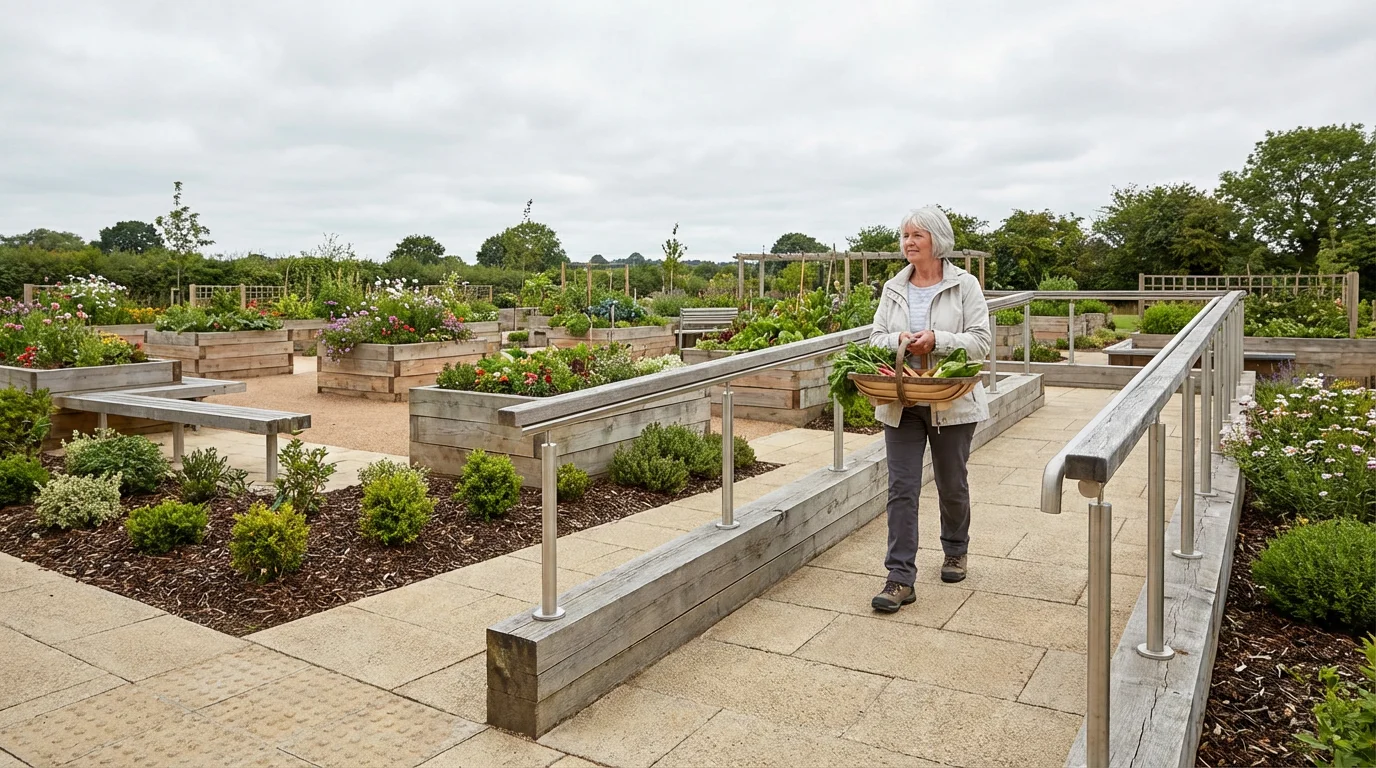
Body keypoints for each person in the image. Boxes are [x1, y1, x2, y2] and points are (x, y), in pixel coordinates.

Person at [868, 206, 991, 613]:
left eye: (916, 235)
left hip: (950, 401)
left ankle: (956, 549)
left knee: (950, 483)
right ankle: (899, 578)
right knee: (901, 489)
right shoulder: (893, 288)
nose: (908, 243)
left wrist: (936, 339)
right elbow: (875, 340)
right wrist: (899, 340)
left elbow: (980, 341)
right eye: (904, 236)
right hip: (901, 401)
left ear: (937, 240)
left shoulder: (965, 285)